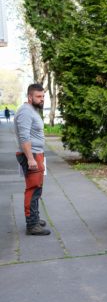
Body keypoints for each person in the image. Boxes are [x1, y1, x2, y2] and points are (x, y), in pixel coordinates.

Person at [14, 84, 51, 236]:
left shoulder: (32, 110)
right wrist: (30, 158)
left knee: (37, 189)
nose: (41, 99)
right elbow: (24, 137)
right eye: (38, 96)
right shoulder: (25, 112)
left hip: (37, 154)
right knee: (33, 189)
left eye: (43, 96)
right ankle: (32, 224)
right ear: (30, 97)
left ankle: (34, 218)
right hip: (32, 156)